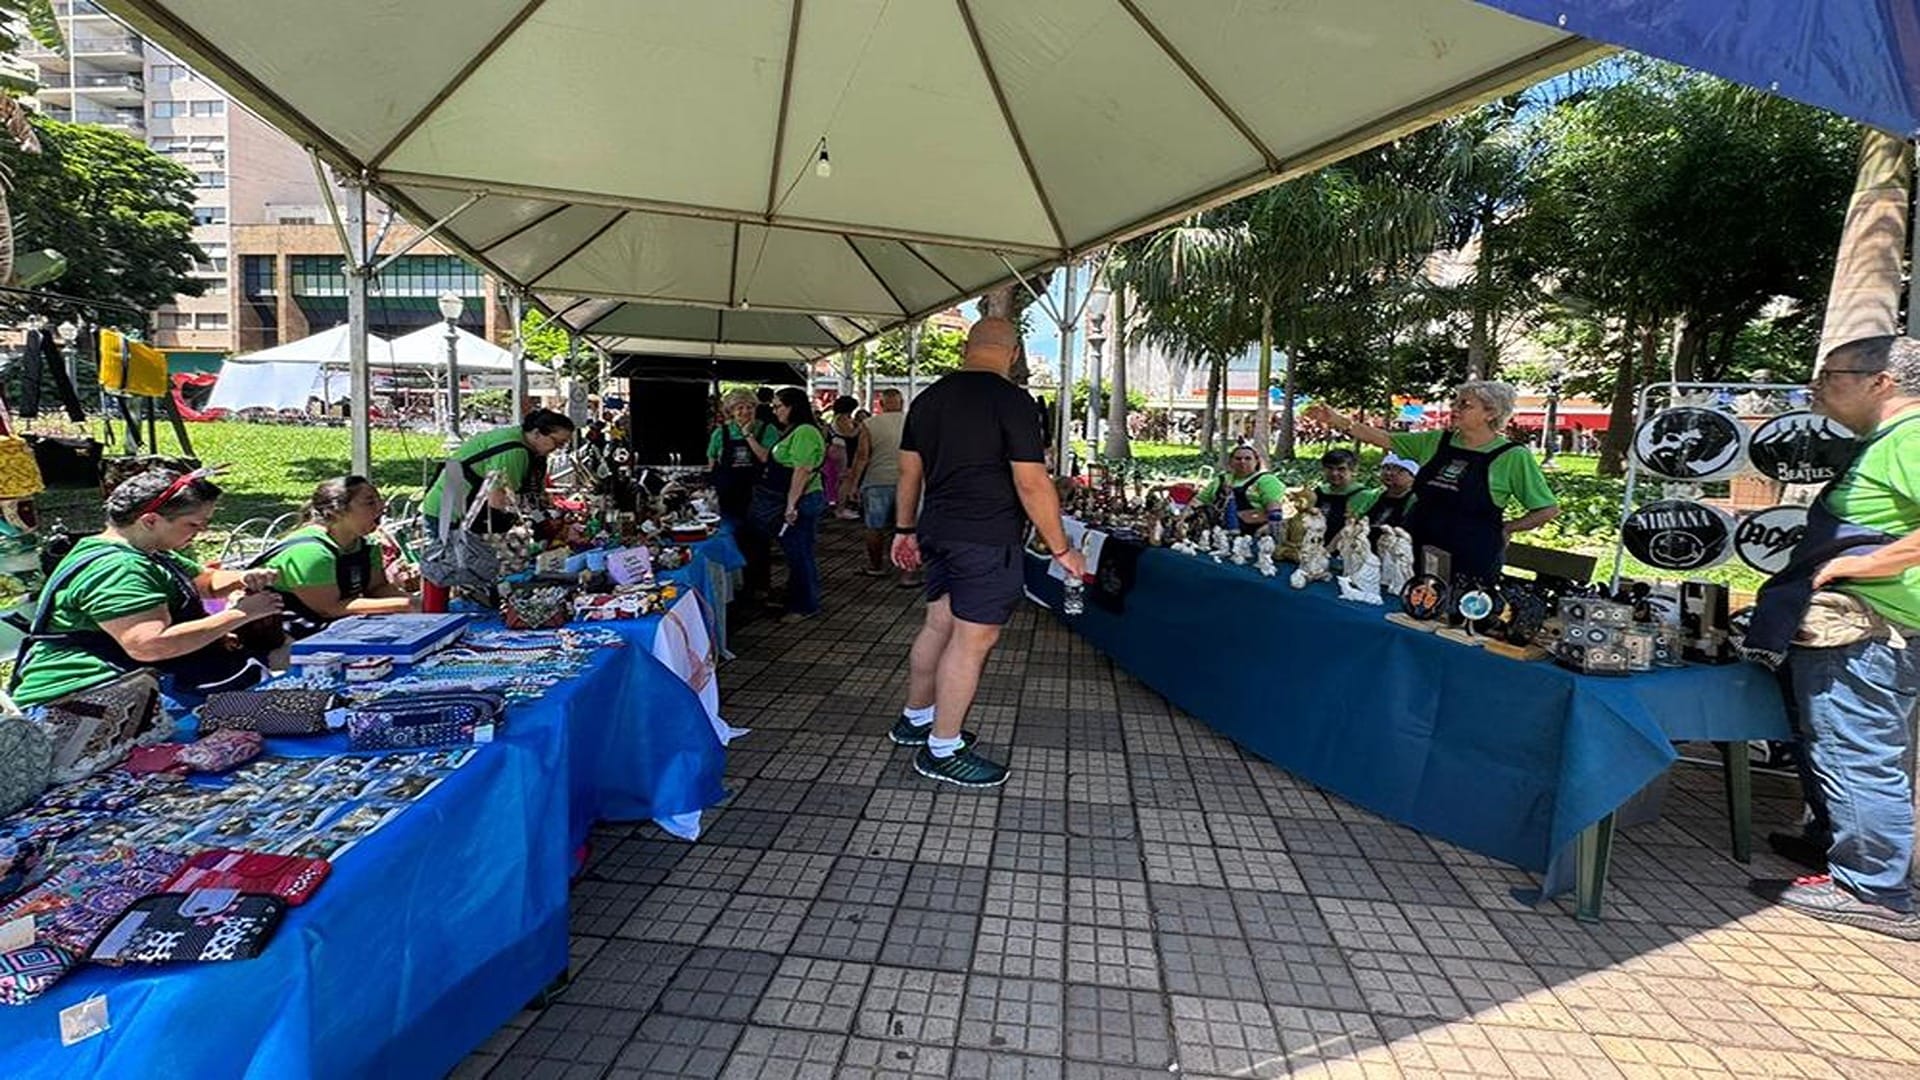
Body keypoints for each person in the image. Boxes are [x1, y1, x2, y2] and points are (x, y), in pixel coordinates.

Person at [1746, 335, 1920, 940]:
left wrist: (1856, 566)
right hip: (1857, 628)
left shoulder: (1911, 438)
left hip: (1871, 631)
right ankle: (1837, 848)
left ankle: (1875, 889)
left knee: (1858, 750)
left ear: (1882, 382)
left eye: (1833, 374)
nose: (1818, 385)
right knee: (1834, 745)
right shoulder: (1885, 442)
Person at [891, 318, 1087, 788]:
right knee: (972, 641)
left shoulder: (928, 399)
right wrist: (1061, 548)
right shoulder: (1012, 400)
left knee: (939, 624)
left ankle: (916, 719)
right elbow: (1031, 481)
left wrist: (904, 529)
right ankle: (942, 747)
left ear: (965, 347)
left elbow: (907, 474)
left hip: (937, 529)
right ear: (1014, 352)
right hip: (984, 537)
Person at [9, 468, 282, 708]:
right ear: (150, 521)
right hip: (84, 698)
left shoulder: (148, 551)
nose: (200, 532)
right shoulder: (120, 568)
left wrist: (245, 578)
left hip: (130, 687)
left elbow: (206, 583)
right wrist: (240, 615)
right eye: (193, 524)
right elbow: (150, 645)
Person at [1308, 381, 1559, 584]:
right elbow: (1383, 438)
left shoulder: (1512, 456)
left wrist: (1507, 528)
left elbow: (1547, 509)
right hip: (1415, 546)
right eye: (1456, 402)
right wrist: (1336, 420)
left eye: (1465, 405)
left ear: (1491, 413)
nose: (1455, 408)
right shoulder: (1436, 441)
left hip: (1470, 554)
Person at [253, 476, 416, 641]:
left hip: (337, 626)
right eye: (370, 502)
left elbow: (377, 589)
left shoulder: (365, 546)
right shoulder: (311, 552)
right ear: (336, 512)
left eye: (380, 500)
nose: (381, 507)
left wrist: (418, 601)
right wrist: (404, 605)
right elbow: (329, 608)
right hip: (287, 635)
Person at [421, 409, 575, 533]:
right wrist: (525, 526)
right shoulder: (514, 451)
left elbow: (529, 498)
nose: (557, 449)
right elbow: (498, 499)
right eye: (558, 443)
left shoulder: (521, 440)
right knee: (454, 567)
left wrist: (541, 520)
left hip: (449, 507)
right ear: (536, 433)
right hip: (450, 514)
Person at [751, 387, 827, 623]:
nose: (775, 411)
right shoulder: (794, 430)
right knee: (796, 552)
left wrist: (791, 506)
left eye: (778, 406)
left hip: (801, 499)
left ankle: (805, 605)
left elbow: (802, 471)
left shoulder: (804, 432)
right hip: (794, 498)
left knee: (800, 554)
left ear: (792, 406)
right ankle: (798, 598)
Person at [709, 388, 779, 599]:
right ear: (731, 411)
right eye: (739, 408)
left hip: (758, 493)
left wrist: (748, 435)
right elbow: (712, 461)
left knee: (759, 539)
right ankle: (736, 589)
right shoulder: (720, 432)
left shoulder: (767, 429)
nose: (745, 412)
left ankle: (760, 586)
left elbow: (767, 457)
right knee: (732, 538)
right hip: (729, 494)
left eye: (749, 407)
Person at [853, 388, 911, 582]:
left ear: (881, 404)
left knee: (874, 527)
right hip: (909, 481)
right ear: (902, 403)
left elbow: (862, 457)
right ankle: (907, 574)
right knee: (907, 527)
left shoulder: (869, 424)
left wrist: (853, 484)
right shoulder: (914, 421)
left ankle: (876, 566)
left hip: (876, 480)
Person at [1194, 444, 1286, 536]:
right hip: (1218, 532)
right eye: (1238, 458)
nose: (1242, 461)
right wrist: (1182, 518)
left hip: (1252, 533)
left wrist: (1270, 526)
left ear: (1256, 461)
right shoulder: (1221, 480)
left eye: (1248, 458)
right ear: (1231, 462)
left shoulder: (1267, 480)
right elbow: (1199, 501)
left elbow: (1274, 511)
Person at [1350, 453, 1420, 541]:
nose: (1389, 473)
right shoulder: (1370, 496)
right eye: (1386, 468)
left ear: (1413, 477)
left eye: (1399, 470)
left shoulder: (1416, 501)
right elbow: (1352, 522)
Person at [1314, 448, 1368, 539]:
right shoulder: (1319, 491)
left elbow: (1352, 527)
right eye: (1330, 468)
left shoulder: (1363, 495)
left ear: (1353, 470)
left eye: (1341, 469)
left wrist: (1328, 550)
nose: (1334, 473)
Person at [826, 395, 865, 520]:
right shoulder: (842, 418)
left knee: (840, 480)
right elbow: (850, 434)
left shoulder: (836, 418)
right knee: (845, 479)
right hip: (841, 449)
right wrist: (860, 426)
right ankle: (840, 509)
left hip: (835, 447)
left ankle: (839, 506)